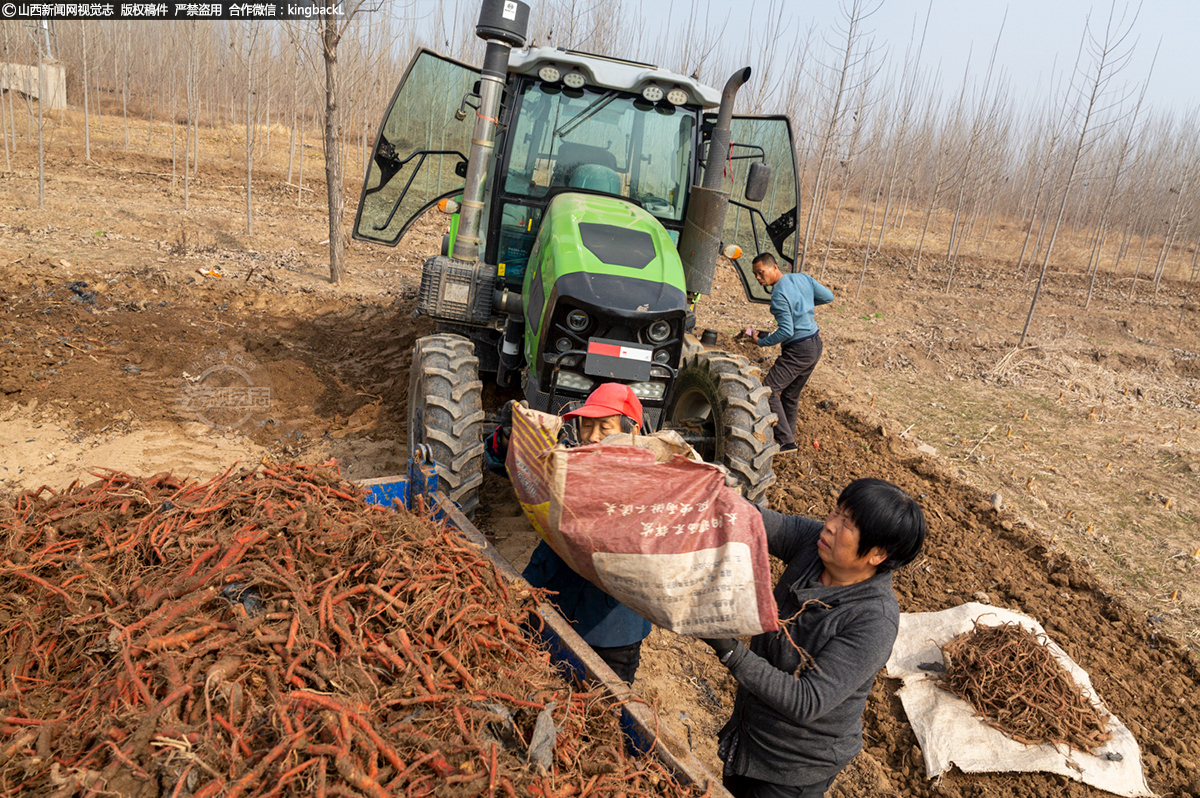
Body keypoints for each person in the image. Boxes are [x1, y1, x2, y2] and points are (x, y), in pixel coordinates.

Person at [702, 478, 927, 798]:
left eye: (846, 524)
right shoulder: (814, 544)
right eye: (835, 513)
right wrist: (706, 490)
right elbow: (753, 520)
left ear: (877, 553)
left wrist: (729, 650)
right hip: (751, 735)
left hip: (793, 767)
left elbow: (806, 700)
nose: (830, 525)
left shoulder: (872, 620)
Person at [484, 383, 652, 683]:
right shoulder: (569, 459)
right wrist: (509, 437)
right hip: (549, 594)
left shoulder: (657, 478)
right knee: (523, 677)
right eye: (587, 426)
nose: (594, 435)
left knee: (600, 707)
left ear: (633, 430)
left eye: (605, 426)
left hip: (610, 625)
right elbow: (502, 463)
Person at [748, 253, 834, 452]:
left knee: (769, 391)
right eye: (756, 275)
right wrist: (805, 306)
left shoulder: (778, 294)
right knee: (790, 396)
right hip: (814, 344)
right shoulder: (802, 278)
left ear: (774, 268)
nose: (759, 279)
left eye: (761, 273)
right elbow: (828, 296)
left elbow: (787, 331)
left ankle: (785, 441)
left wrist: (762, 341)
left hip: (798, 350)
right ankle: (788, 441)